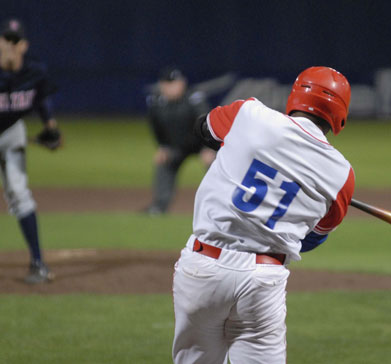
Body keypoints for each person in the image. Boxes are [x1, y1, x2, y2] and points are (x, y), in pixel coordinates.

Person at [171, 66, 355, 363]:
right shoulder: (342, 176)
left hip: (202, 268)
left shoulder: (250, 114)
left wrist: (242, 146)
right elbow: (309, 241)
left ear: (295, 95)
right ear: (340, 115)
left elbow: (203, 128)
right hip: (263, 280)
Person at [0, 18, 61, 284]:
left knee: (20, 195)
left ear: (23, 45)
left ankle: (38, 264)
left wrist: (50, 126)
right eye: (5, 40)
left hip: (12, 133)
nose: (10, 45)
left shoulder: (35, 72)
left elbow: (41, 98)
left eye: (15, 41)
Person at [142, 66, 216, 215]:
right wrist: (162, 146)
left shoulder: (194, 98)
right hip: (177, 147)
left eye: (176, 82)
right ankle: (159, 206)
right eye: (169, 84)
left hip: (202, 144)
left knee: (216, 167)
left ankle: (220, 207)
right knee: (164, 162)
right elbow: (156, 127)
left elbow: (207, 123)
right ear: (162, 86)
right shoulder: (157, 102)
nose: (174, 87)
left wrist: (210, 147)